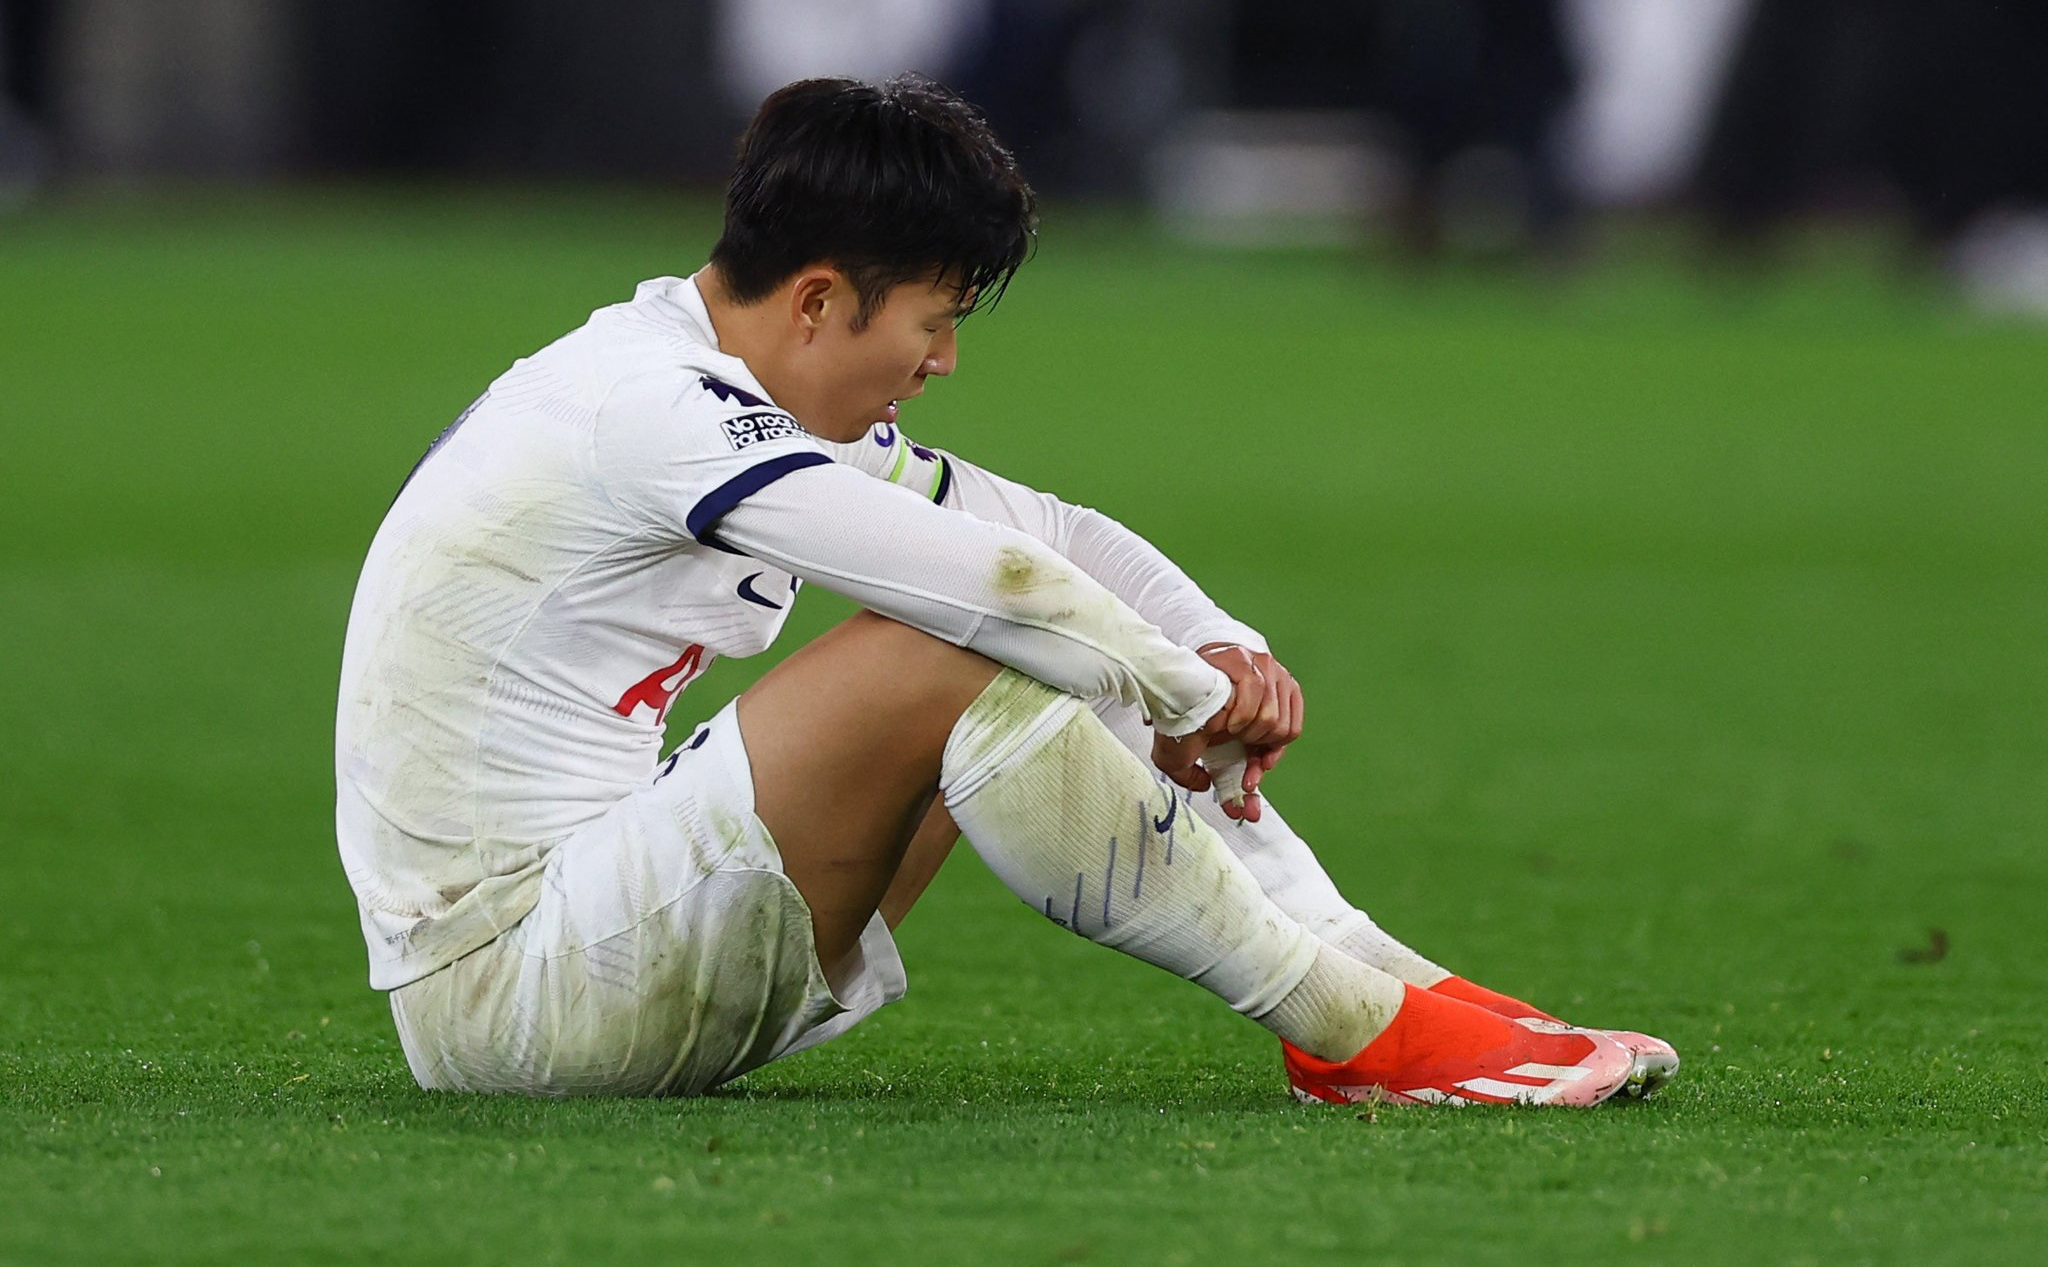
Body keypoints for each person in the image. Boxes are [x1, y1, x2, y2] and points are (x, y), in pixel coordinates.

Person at [335, 75, 1677, 1105]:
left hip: (599, 934)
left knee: (1037, 626)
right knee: (961, 640)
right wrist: (1184, 687)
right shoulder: (644, 408)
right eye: (934, 319)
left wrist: (1217, 641)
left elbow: (1053, 532)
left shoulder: (729, 389)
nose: (945, 361)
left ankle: (1385, 979)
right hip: (504, 990)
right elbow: (994, 585)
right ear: (817, 302)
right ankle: (1350, 1028)